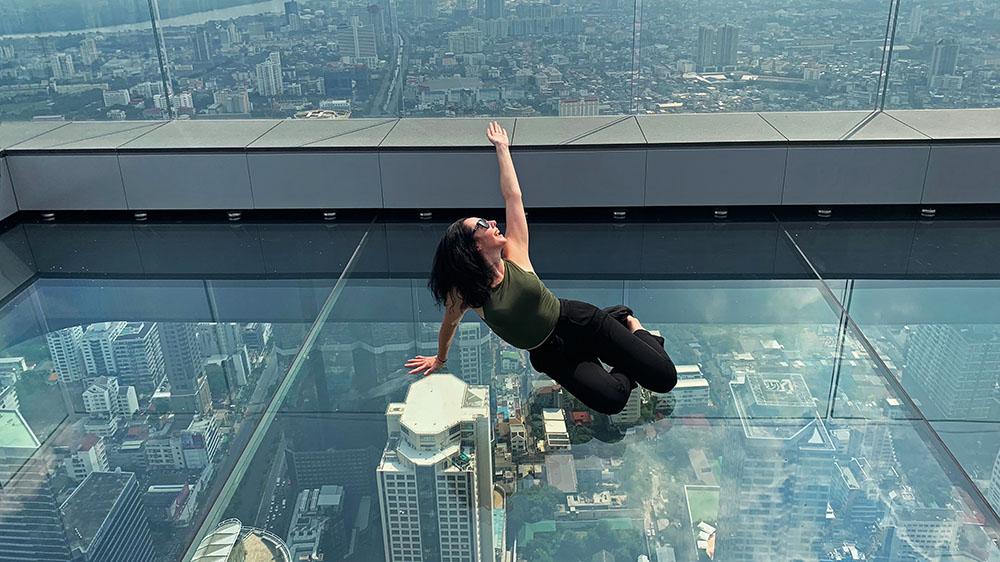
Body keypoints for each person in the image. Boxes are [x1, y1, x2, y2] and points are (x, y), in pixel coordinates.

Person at [404, 121, 677, 415]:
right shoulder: (466, 293)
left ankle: (630, 324)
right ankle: (621, 331)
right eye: (482, 224)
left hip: (578, 322)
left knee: (664, 379)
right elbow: (449, 325)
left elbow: (513, 196)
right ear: (473, 247)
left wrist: (502, 148)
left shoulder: (514, 252)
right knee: (612, 401)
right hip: (552, 355)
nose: (492, 222)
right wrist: (440, 360)